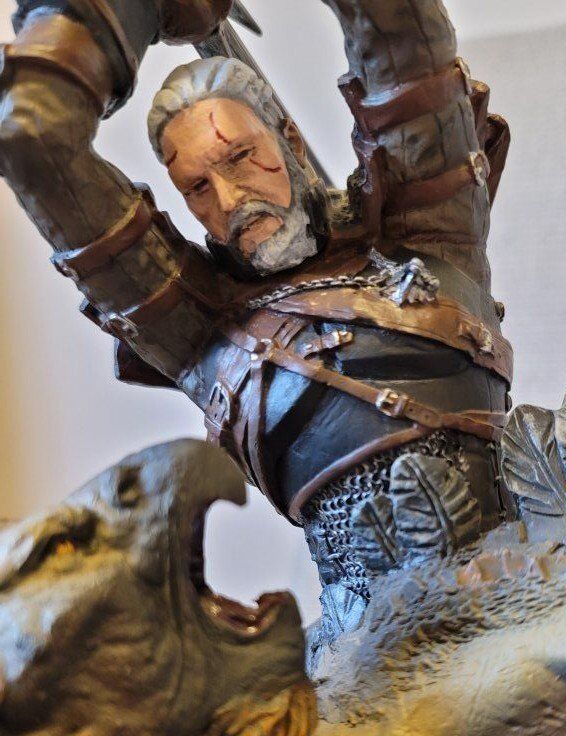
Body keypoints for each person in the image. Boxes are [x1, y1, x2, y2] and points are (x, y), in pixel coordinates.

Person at [0, 0, 512, 625]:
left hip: (525, 576)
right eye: (196, 188)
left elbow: (403, 30)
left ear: (288, 139)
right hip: (368, 644)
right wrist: (126, 12)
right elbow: (33, 137)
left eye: (239, 157)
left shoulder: (426, 232)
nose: (229, 199)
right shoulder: (199, 329)